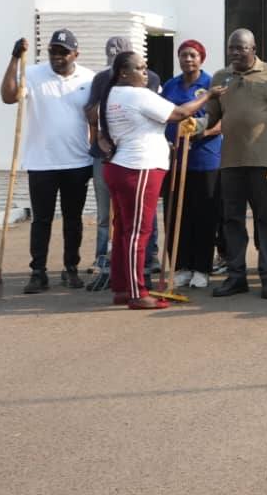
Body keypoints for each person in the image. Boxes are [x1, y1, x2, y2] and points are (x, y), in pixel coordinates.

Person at [99, 51, 224, 308]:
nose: (145, 73)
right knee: (138, 232)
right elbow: (178, 113)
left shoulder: (111, 94)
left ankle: (122, 287)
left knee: (123, 229)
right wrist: (209, 97)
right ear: (123, 72)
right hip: (140, 167)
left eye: (145, 68)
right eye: (139, 68)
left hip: (120, 165)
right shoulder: (138, 94)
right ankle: (137, 293)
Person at [197, 29, 267, 300]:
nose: (235, 53)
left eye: (240, 48)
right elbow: (213, 116)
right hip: (230, 162)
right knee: (232, 220)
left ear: (253, 48)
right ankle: (236, 276)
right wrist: (195, 124)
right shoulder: (220, 77)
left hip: (264, 162)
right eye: (231, 48)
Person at [0, 32, 94, 294]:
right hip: (42, 162)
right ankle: (38, 272)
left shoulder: (88, 78)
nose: (57, 57)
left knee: (73, 220)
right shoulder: (33, 73)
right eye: (53, 51)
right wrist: (15, 59)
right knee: (41, 220)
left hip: (77, 161)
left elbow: (97, 116)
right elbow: (8, 97)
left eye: (63, 52)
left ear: (75, 53)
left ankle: (71, 269)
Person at [86, 36, 162, 284]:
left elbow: (152, 112)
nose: (116, 73)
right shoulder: (100, 79)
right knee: (108, 214)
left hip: (137, 157)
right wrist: (100, 136)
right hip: (107, 155)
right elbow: (91, 112)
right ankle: (104, 259)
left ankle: (148, 259)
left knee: (140, 216)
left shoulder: (150, 78)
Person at [160, 40, 223, 289]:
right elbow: (163, 116)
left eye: (193, 56)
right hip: (175, 159)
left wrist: (203, 134)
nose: (188, 60)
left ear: (202, 59)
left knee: (204, 215)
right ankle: (181, 265)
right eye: (184, 55)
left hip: (205, 159)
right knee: (176, 214)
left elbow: (224, 121)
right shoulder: (170, 85)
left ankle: (202, 268)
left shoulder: (211, 84)